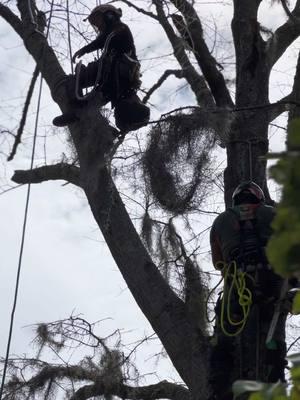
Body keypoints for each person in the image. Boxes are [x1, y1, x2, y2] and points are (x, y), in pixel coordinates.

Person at [209, 181, 288, 400]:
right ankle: (275, 377)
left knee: (222, 338)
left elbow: (219, 263)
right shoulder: (272, 214)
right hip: (271, 283)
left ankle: (219, 388)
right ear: (259, 198)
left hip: (238, 286)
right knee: (274, 334)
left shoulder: (220, 221)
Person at [53, 4, 150, 132]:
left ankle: (92, 120)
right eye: (95, 23)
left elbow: (106, 38)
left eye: (98, 21)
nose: (98, 26)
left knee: (118, 108)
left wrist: (87, 49)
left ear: (109, 16)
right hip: (108, 79)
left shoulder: (120, 29)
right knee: (77, 86)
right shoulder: (109, 46)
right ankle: (79, 114)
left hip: (122, 80)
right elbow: (104, 41)